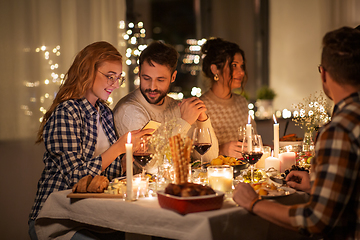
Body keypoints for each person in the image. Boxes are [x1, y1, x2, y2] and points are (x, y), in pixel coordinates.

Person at [233, 26, 360, 239]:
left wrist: (253, 203)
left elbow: (315, 221)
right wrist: (317, 184)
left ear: (324, 74)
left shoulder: (339, 129)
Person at [28, 41, 152, 240]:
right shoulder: (66, 113)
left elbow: (107, 175)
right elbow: (77, 178)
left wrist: (130, 155)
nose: (114, 84)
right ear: (87, 71)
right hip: (59, 219)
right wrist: (119, 148)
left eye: (118, 78)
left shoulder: (104, 112)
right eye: (109, 76)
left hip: (94, 217)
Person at [113, 41, 219, 166]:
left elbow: (208, 159)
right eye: (146, 78)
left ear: (173, 77)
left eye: (160, 80)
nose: (152, 87)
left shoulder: (177, 106)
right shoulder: (129, 111)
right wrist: (184, 122)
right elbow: (153, 167)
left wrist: (202, 120)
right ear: (139, 72)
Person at [200, 38, 254, 159]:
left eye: (242, 66)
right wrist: (221, 150)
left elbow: (253, 142)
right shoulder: (200, 106)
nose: (241, 72)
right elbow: (195, 156)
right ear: (215, 70)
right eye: (234, 65)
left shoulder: (241, 102)